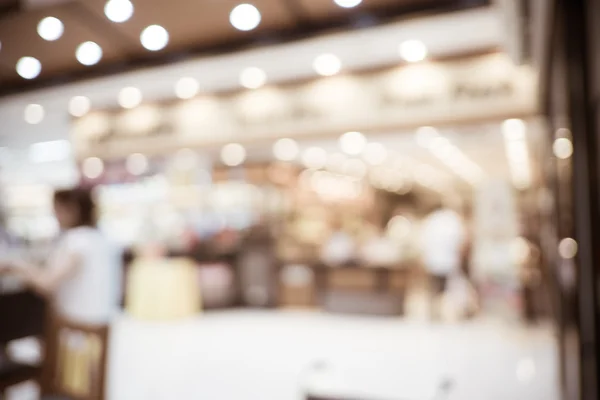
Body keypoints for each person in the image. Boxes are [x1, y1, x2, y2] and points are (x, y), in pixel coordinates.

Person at [0, 188, 122, 325]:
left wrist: (16, 265)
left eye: (58, 210)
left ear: (72, 210)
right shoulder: (101, 237)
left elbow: (47, 283)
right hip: (103, 319)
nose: (55, 215)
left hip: (78, 323)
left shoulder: (77, 239)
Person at [419, 202, 467, 319]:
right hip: (448, 259)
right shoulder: (452, 220)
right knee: (447, 288)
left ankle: (434, 312)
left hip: (433, 260)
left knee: (435, 288)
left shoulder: (431, 220)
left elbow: (423, 242)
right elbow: (460, 242)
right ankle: (446, 312)